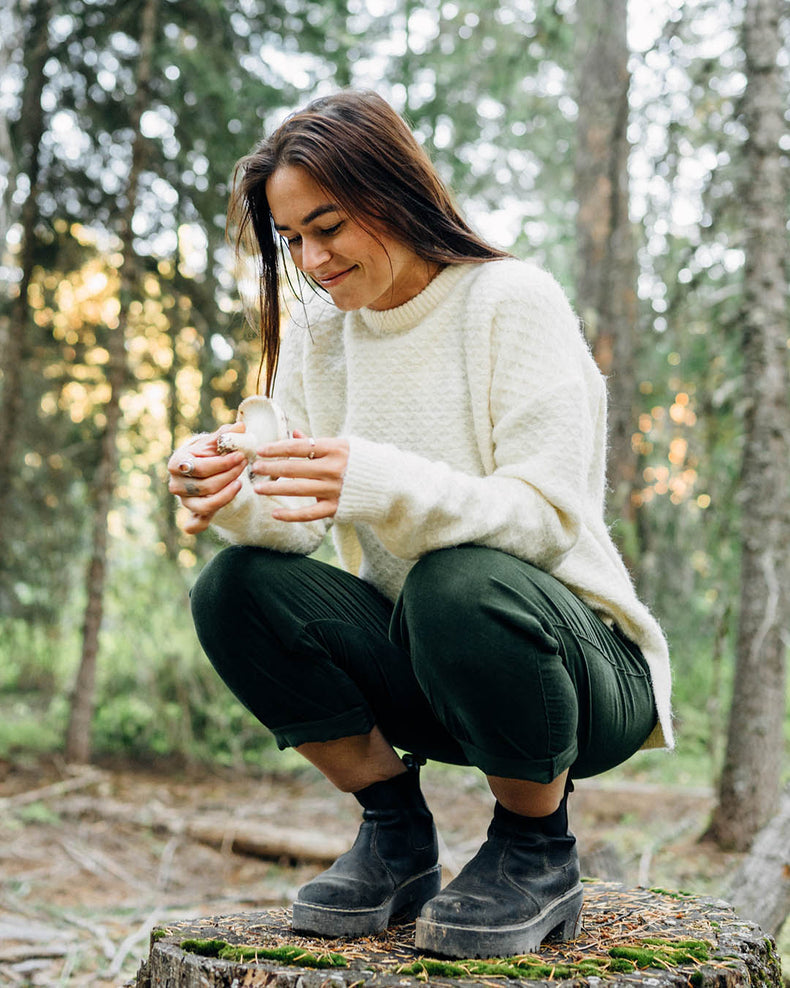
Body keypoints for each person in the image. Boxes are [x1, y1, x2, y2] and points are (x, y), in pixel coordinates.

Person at [167, 90, 672, 959]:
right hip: (430, 667)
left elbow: (547, 520)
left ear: (392, 192)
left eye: (328, 227)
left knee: (455, 577)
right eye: (292, 240)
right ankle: (395, 834)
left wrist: (376, 479)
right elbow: (296, 526)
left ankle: (534, 848)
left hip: (580, 672)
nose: (313, 260)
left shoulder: (511, 301)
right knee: (235, 588)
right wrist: (228, 496)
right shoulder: (321, 339)